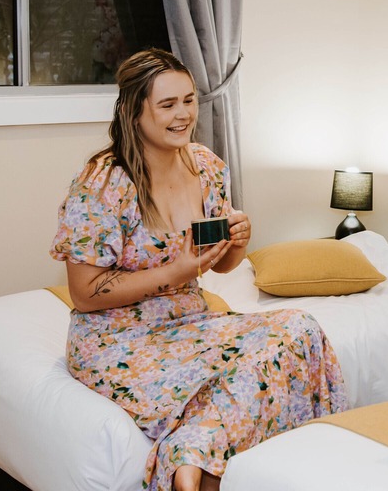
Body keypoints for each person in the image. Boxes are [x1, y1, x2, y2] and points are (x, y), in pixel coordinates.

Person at [50, 48, 347, 491]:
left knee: (299, 330)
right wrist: (175, 270)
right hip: (117, 340)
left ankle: (188, 457)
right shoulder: (102, 182)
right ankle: (193, 472)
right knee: (245, 372)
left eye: (189, 100)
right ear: (134, 111)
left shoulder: (205, 166)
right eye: (167, 105)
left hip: (190, 320)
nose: (183, 114)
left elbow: (221, 265)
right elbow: (84, 293)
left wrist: (238, 241)